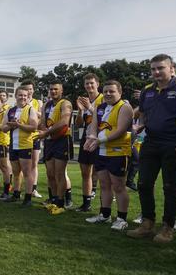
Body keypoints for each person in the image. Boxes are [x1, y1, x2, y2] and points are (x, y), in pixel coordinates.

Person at [126, 54, 176, 243]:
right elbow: (143, 113)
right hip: (150, 142)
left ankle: (167, 227)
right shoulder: (147, 91)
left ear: (171, 68)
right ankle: (147, 223)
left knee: (169, 186)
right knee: (143, 184)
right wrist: (140, 125)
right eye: (153, 69)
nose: (156, 72)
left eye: (160, 68)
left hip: (174, 144)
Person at [84, 80, 134, 231]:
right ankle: (104, 215)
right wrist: (92, 138)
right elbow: (93, 127)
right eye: (105, 91)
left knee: (118, 186)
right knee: (104, 185)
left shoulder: (125, 107)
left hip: (118, 152)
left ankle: (121, 219)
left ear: (120, 92)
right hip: (102, 151)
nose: (107, 94)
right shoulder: (99, 107)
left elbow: (120, 130)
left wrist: (100, 140)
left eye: (111, 91)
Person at [37, 82, 73, 215]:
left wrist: (46, 132)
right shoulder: (46, 105)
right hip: (49, 141)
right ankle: (53, 200)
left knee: (59, 173)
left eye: (56, 89)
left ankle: (60, 202)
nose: (53, 91)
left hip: (62, 140)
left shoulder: (65, 103)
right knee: (50, 174)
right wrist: (42, 130)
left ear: (61, 91)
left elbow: (64, 121)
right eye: (51, 89)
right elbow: (42, 122)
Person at [2, 86, 38, 205]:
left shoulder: (30, 109)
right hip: (13, 145)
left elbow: (33, 127)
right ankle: (16, 194)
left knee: (27, 173)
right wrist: (11, 125)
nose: (22, 97)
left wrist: (19, 125)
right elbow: (3, 128)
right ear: (16, 96)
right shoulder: (10, 110)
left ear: (28, 97)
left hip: (25, 145)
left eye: (25, 96)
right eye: (20, 95)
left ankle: (28, 198)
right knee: (16, 172)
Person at [75, 73, 103, 212]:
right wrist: (80, 111)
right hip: (86, 139)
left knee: (103, 176)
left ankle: (105, 209)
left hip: (100, 141)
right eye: (87, 84)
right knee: (85, 173)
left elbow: (106, 120)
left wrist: (90, 108)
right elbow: (79, 124)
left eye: (92, 83)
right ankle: (86, 204)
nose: (89, 86)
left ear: (98, 84)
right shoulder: (83, 101)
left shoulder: (104, 98)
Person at [21, 80, 43, 198]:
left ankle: (34, 189)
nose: (29, 91)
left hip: (35, 136)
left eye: (30, 89)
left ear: (33, 90)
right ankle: (21, 188)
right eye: (26, 89)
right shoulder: (21, 103)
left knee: (34, 164)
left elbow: (42, 117)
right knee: (22, 165)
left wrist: (32, 109)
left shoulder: (37, 102)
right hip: (23, 138)